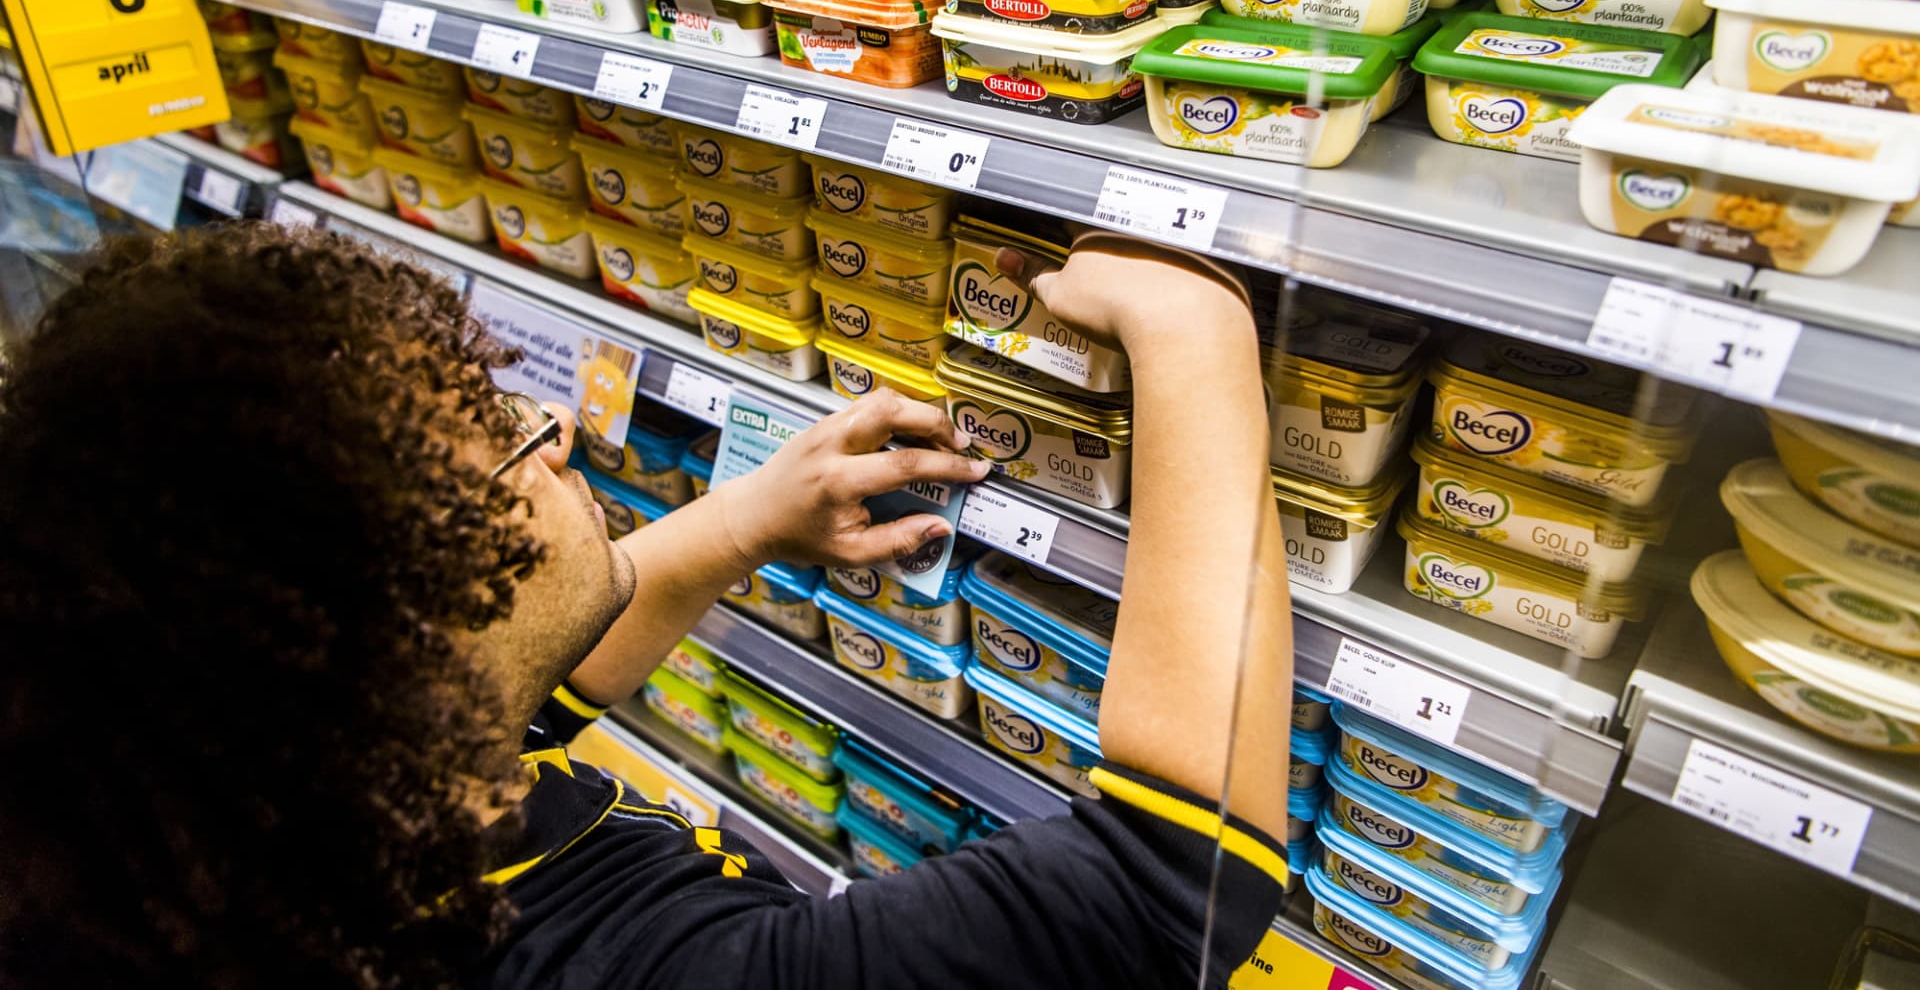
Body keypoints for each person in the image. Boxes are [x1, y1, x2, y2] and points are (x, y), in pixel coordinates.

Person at [0, 222, 1292, 989]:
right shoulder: (640, 968)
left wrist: (741, 521)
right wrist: (1195, 335)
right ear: (405, 639)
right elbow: (1174, 883)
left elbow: (523, 695)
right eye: (500, 438)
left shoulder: (272, 809)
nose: (553, 427)